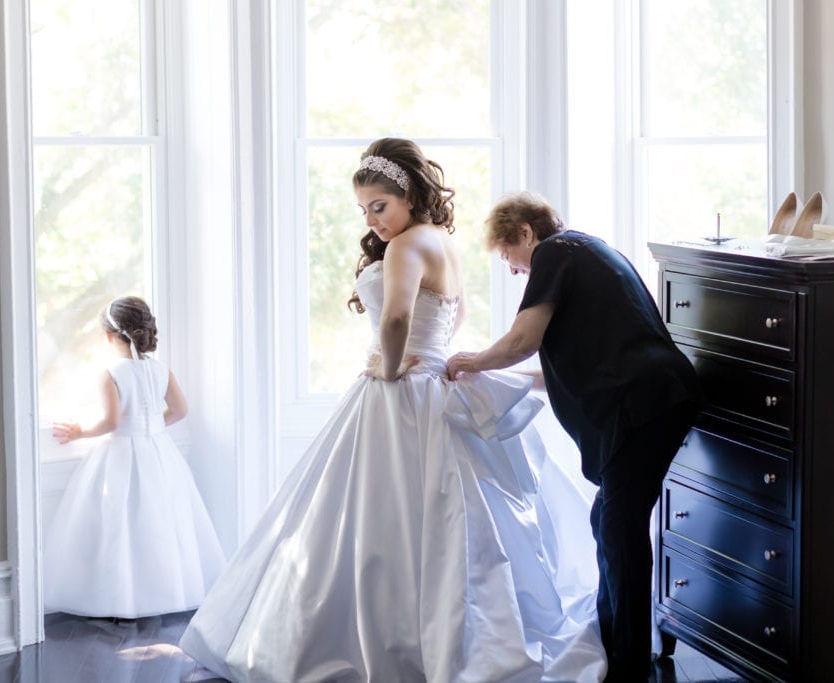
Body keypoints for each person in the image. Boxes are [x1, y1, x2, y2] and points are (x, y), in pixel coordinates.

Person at [179, 139, 608, 681]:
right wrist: (426, 359)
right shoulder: (443, 244)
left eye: (379, 206)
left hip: (399, 391)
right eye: (364, 210)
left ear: (407, 194)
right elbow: (454, 315)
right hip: (434, 385)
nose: (373, 220)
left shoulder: (406, 246)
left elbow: (397, 319)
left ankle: (380, 641)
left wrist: (386, 369)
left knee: (378, 516)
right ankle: (451, 636)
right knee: (442, 516)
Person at [446, 192, 702, 681]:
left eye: (509, 257)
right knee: (607, 518)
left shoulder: (555, 253)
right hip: (657, 397)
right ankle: (614, 638)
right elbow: (572, 365)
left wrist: (473, 359)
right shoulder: (588, 252)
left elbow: (523, 340)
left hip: (646, 403)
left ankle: (627, 661)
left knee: (620, 529)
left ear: (525, 232)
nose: (515, 270)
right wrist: (495, 379)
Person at [44, 296, 226, 618]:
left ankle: (121, 599)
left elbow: (112, 423)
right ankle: (168, 592)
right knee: (162, 522)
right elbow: (181, 410)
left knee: (121, 524)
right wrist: (152, 426)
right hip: (158, 450)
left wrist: (79, 432)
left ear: (109, 336)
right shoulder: (160, 369)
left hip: (123, 453)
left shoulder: (111, 373)